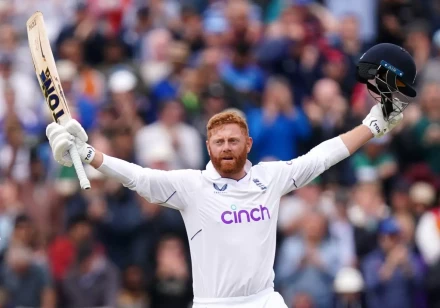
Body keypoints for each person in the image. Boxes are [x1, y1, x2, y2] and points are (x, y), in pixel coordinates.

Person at [45, 43, 416, 308]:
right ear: (208, 147)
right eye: (218, 141)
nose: (225, 147)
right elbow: (138, 177)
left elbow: (322, 156)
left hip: (265, 301)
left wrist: (371, 125)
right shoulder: (192, 187)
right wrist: (90, 153)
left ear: (248, 143)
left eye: (232, 141)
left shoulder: (269, 179)